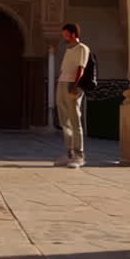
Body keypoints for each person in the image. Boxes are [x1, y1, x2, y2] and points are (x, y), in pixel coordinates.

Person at [54, 22, 90, 168]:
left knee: (75, 120)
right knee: (64, 121)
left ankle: (79, 156)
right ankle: (69, 154)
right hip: (62, 83)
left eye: (66, 34)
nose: (64, 37)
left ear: (73, 34)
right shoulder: (68, 49)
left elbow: (81, 69)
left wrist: (75, 86)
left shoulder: (82, 48)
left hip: (72, 84)